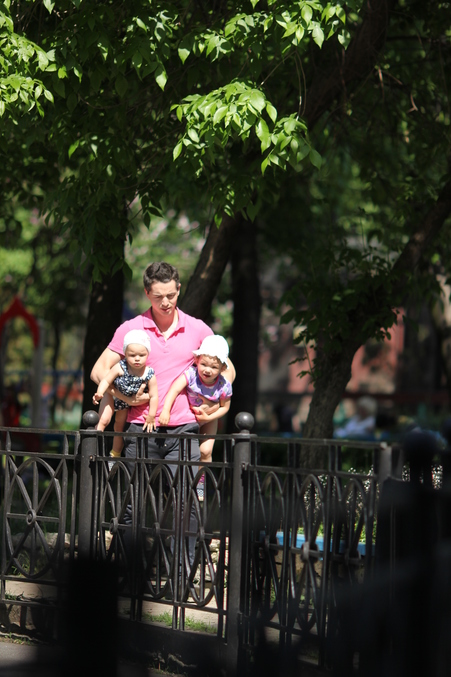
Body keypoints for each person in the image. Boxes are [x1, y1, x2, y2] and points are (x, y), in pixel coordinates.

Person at [90, 261, 235, 566]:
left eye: (171, 295)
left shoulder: (198, 329)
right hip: (139, 429)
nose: (166, 302)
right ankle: (128, 575)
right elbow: (99, 370)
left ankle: (182, 577)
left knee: (187, 503)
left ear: (179, 289)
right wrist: (124, 396)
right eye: (158, 297)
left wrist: (213, 402)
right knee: (133, 502)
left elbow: (228, 370)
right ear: (147, 293)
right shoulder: (131, 329)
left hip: (184, 429)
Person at [159, 334, 233, 500]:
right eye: (204, 364)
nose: (207, 370)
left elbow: (225, 407)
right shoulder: (191, 375)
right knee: (181, 451)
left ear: (222, 368)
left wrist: (207, 418)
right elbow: (174, 390)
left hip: (209, 418)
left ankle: (200, 483)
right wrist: (166, 411)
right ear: (197, 360)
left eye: (214, 367)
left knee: (205, 451)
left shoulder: (223, 385)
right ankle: (171, 484)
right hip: (187, 418)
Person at [92, 329, 158, 460]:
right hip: (117, 395)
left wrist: (151, 415)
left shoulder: (149, 373)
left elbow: (154, 395)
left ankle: (115, 453)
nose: (137, 359)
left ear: (147, 354)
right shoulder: (120, 367)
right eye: (132, 355)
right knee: (104, 420)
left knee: (119, 427)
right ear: (125, 354)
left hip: (132, 402)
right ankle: (92, 448)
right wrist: (100, 392)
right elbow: (106, 380)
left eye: (142, 355)